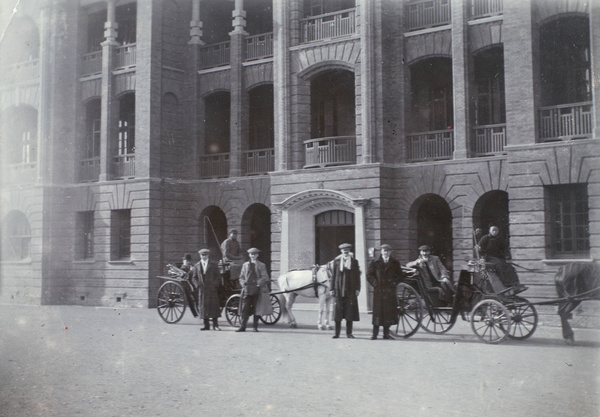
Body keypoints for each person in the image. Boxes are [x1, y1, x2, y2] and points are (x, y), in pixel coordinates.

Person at [367, 244, 404, 340]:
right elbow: (369, 275)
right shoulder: (375, 262)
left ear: (390, 252)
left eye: (387, 251)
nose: (385, 252)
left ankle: (386, 334)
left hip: (389, 291)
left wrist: (393, 283)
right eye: (384, 251)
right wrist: (376, 284)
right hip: (378, 291)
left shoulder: (395, 263)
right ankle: (374, 334)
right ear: (381, 252)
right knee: (377, 313)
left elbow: (400, 275)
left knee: (388, 313)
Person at [477, 225, 526, 293]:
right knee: (500, 265)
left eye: (496, 230)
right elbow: (479, 249)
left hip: (498, 258)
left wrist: (507, 258)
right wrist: (482, 256)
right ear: (489, 231)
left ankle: (515, 284)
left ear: (498, 231)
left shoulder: (500, 239)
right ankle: (506, 284)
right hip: (488, 258)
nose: (494, 232)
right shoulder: (485, 238)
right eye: (493, 230)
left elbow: (505, 249)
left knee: (510, 267)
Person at [330, 243, 361, 339]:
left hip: (350, 290)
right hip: (338, 290)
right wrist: (332, 288)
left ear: (349, 251)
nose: (345, 252)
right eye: (344, 250)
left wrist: (357, 289)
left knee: (349, 313)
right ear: (341, 251)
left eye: (347, 250)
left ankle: (349, 333)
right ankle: (337, 333)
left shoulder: (354, 262)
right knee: (338, 314)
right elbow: (333, 276)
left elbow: (357, 276)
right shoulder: (337, 262)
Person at [236, 248, 271, 332]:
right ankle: (243, 326)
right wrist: (243, 283)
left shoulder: (261, 265)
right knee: (245, 308)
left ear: (257, 255)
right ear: (249, 255)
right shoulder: (245, 265)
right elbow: (241, 277)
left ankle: (255, 327)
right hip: (247, 290)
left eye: (254, 254)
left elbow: (265, 277)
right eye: (251, 254)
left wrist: (258, 284)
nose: (253, 256)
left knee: (257, 308)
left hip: (257, 290)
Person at [191, 249, 222, 331]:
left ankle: (215, 325)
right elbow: (194, 278)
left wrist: (215, 285)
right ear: (200, 256)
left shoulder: (213, 264)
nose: (204, 256)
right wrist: (198, 285)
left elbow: (218, 276)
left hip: (212, 289)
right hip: (202, 289)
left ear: (208, 255)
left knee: (214, 307)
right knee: (204, 307)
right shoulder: (197, 266)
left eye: (205, 255)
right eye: (202, 255)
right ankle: (206, 325)